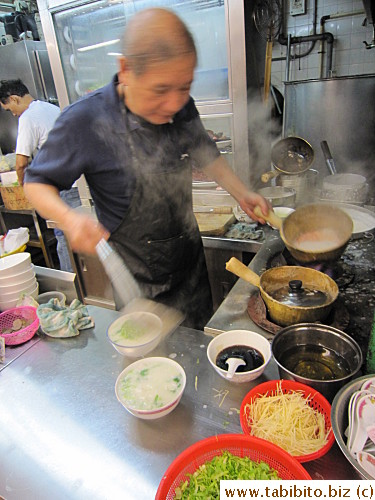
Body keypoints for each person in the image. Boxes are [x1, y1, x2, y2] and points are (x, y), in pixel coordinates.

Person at [23, 7, 270, 329]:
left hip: (191, 267)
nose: (173, 104)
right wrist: (69, 219)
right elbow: (36, 182)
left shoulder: (181, 105)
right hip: (139, 282)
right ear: (125, 70)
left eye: (184, 87)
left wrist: (243, 193)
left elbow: (204, 152)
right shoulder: (84, 120)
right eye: (160, 90)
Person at [0, 79, 81, 272]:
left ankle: (74, 286)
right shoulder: (50, 108)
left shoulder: (28, 117)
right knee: (76, 233)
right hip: (78, 182)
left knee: (63, 236)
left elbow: (20, 163)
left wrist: (25, 188)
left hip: (63, 186)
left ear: (14, 98)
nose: (13, 113)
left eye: (9, 109)